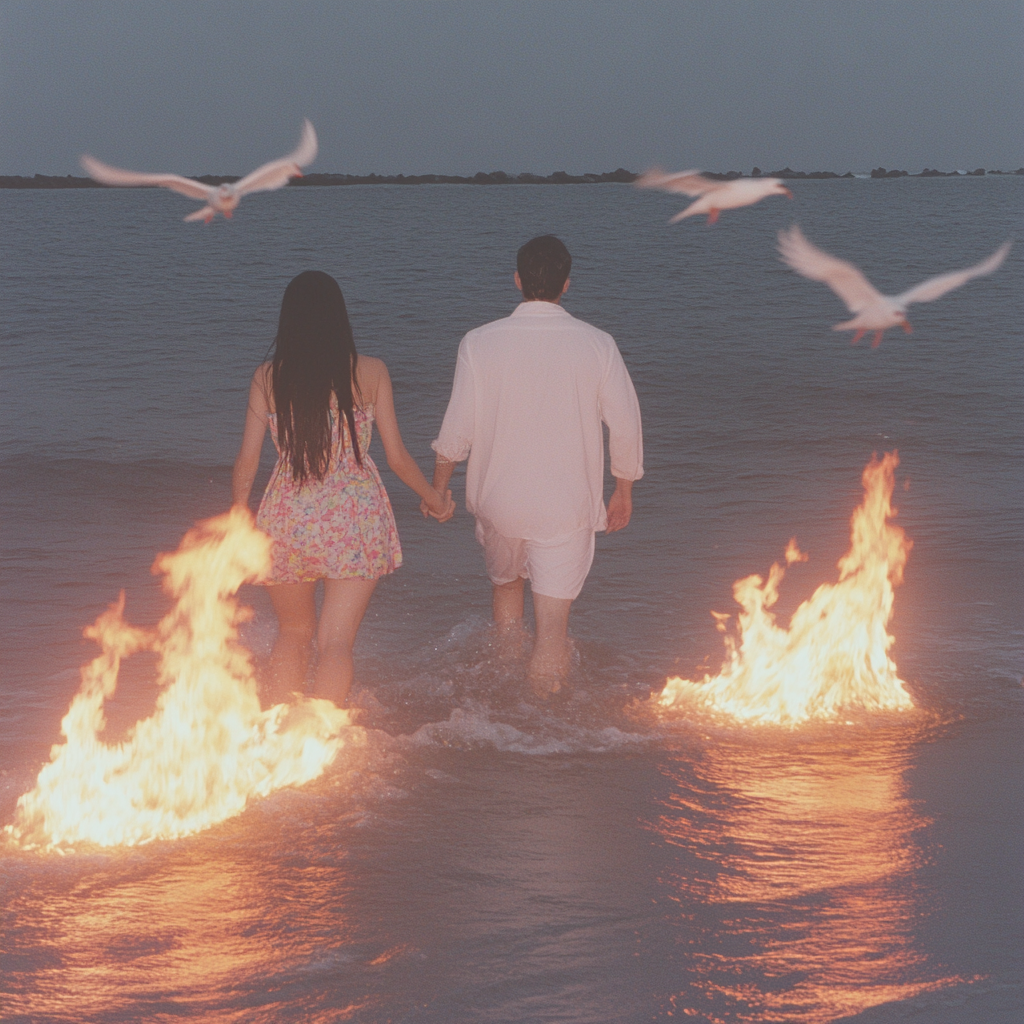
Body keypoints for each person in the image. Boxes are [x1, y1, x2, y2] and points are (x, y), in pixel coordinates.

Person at [425, 235, 643, 691]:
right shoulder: (598, 344)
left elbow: (456, 427)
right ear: (567, 284)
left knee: (506, 589)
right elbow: (625, 424)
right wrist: (623, 490)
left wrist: (439, 489)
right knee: (552, 635)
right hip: (566, 507)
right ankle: (537, 732)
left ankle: (502, 680)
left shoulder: (479, 342)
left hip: (500, 502)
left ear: (518, 280)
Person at [232, 270, 453, 706]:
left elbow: (247, 461)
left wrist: (239, 518)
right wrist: (435, 499)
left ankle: (275, 736)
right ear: (339, 317)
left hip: (287, 516)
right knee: (336, 644)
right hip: (354, 518)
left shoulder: (267, 377)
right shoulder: (370, 372)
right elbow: (397, 457)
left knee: (294, 633)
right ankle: (320, 738)